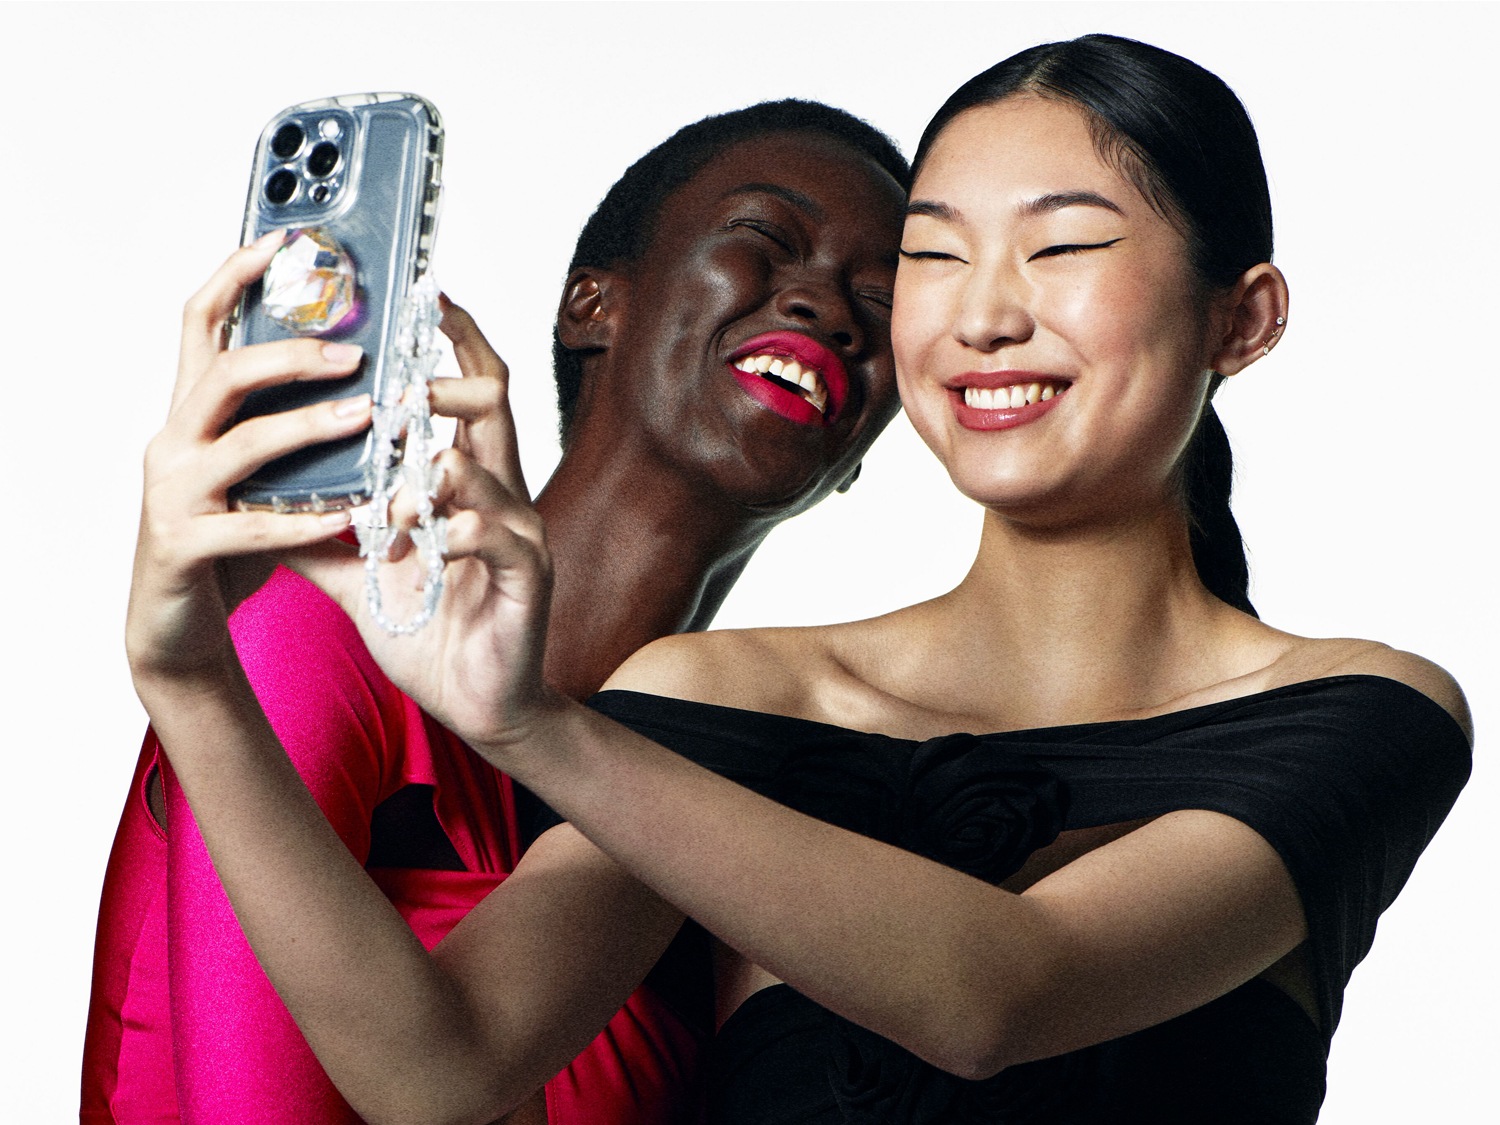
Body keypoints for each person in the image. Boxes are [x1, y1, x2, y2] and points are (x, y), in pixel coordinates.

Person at [123, 35, 1472, 1125]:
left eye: (1060, 247)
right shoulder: (715, 696)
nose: (983, 310)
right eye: (936, 257)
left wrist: (537, 729)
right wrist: (188, 681)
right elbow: (442, 1072)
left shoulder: (1361, 710)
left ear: (1242, 318)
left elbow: (999, 993)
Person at [86, 99, 908, 1123]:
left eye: (881, 303)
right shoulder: (322, 629)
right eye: (766, 240)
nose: (829, 308)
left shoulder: (725, 814)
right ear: (591, 305)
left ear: (865, 452)